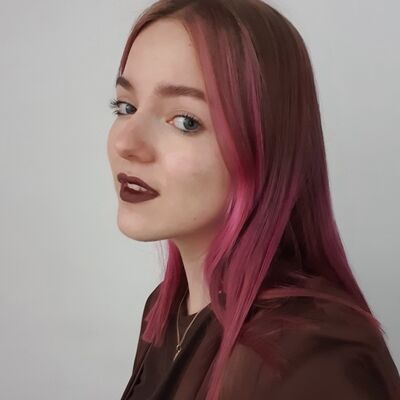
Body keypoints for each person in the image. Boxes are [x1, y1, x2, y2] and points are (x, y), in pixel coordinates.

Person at [107, 0, 400, 399]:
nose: (126, 143)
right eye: (126, 107)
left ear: (265, 145)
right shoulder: (165, 311)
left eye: (185, 121)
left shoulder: (311, 355)